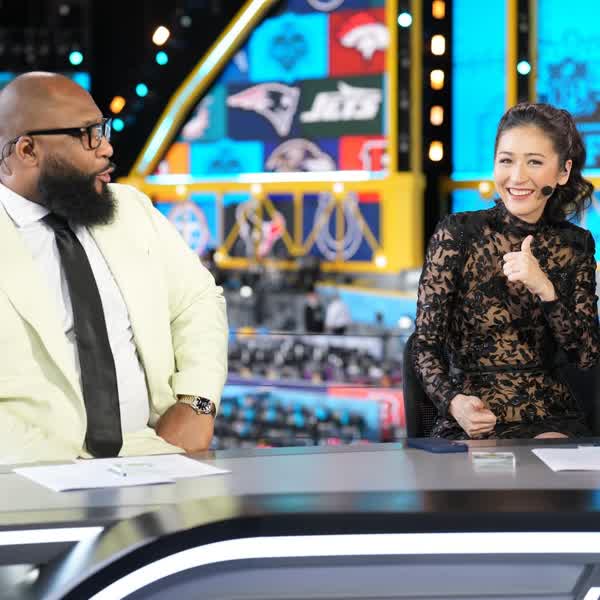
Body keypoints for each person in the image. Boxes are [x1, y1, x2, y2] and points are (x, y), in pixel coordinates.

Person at [0, 72, 228, 463]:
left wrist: (197, 403)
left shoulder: (130, 209)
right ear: (28, 150)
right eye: (87, 134)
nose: (106, 146)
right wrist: (65, 469)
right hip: (31, 473)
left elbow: (198, 301)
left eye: (102, 129)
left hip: (159, 455)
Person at [413, 102, 600, 439]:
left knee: (548, 460)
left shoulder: (576, 245)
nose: (517, 177)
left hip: (550, 416)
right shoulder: (458, 234)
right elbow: (425, 346)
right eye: (506, 160)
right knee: (490, 465)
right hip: (474, 416)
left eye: (534, 162)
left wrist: (545, 290)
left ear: (562, 171)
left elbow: (586, 356)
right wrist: (454, 402)